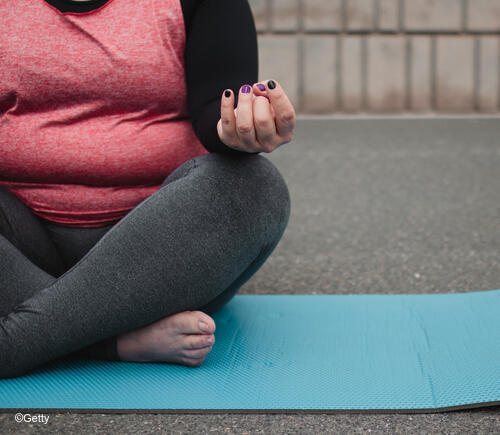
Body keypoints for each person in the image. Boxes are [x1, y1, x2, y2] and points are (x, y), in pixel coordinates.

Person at [0, 0, 294, 378]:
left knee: (255, 186)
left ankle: (21, 342)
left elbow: (215, 105)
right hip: (20, 245)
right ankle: (108, 340)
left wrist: (236, 129)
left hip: (159, 259)